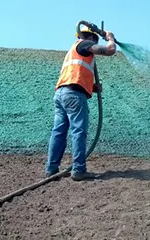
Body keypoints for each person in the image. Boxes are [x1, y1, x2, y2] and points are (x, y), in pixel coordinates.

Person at [45, 25, 116, 181]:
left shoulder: (73, 50)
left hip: (61, 94)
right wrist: (110, 38)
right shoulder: (84, 44)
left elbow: (75, 75)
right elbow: (110, 50)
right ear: (91, 37)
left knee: (58, 131)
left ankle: (51, 168)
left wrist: (92, 88)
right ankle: (78, 170)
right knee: (79, 131)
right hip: (74, 96)